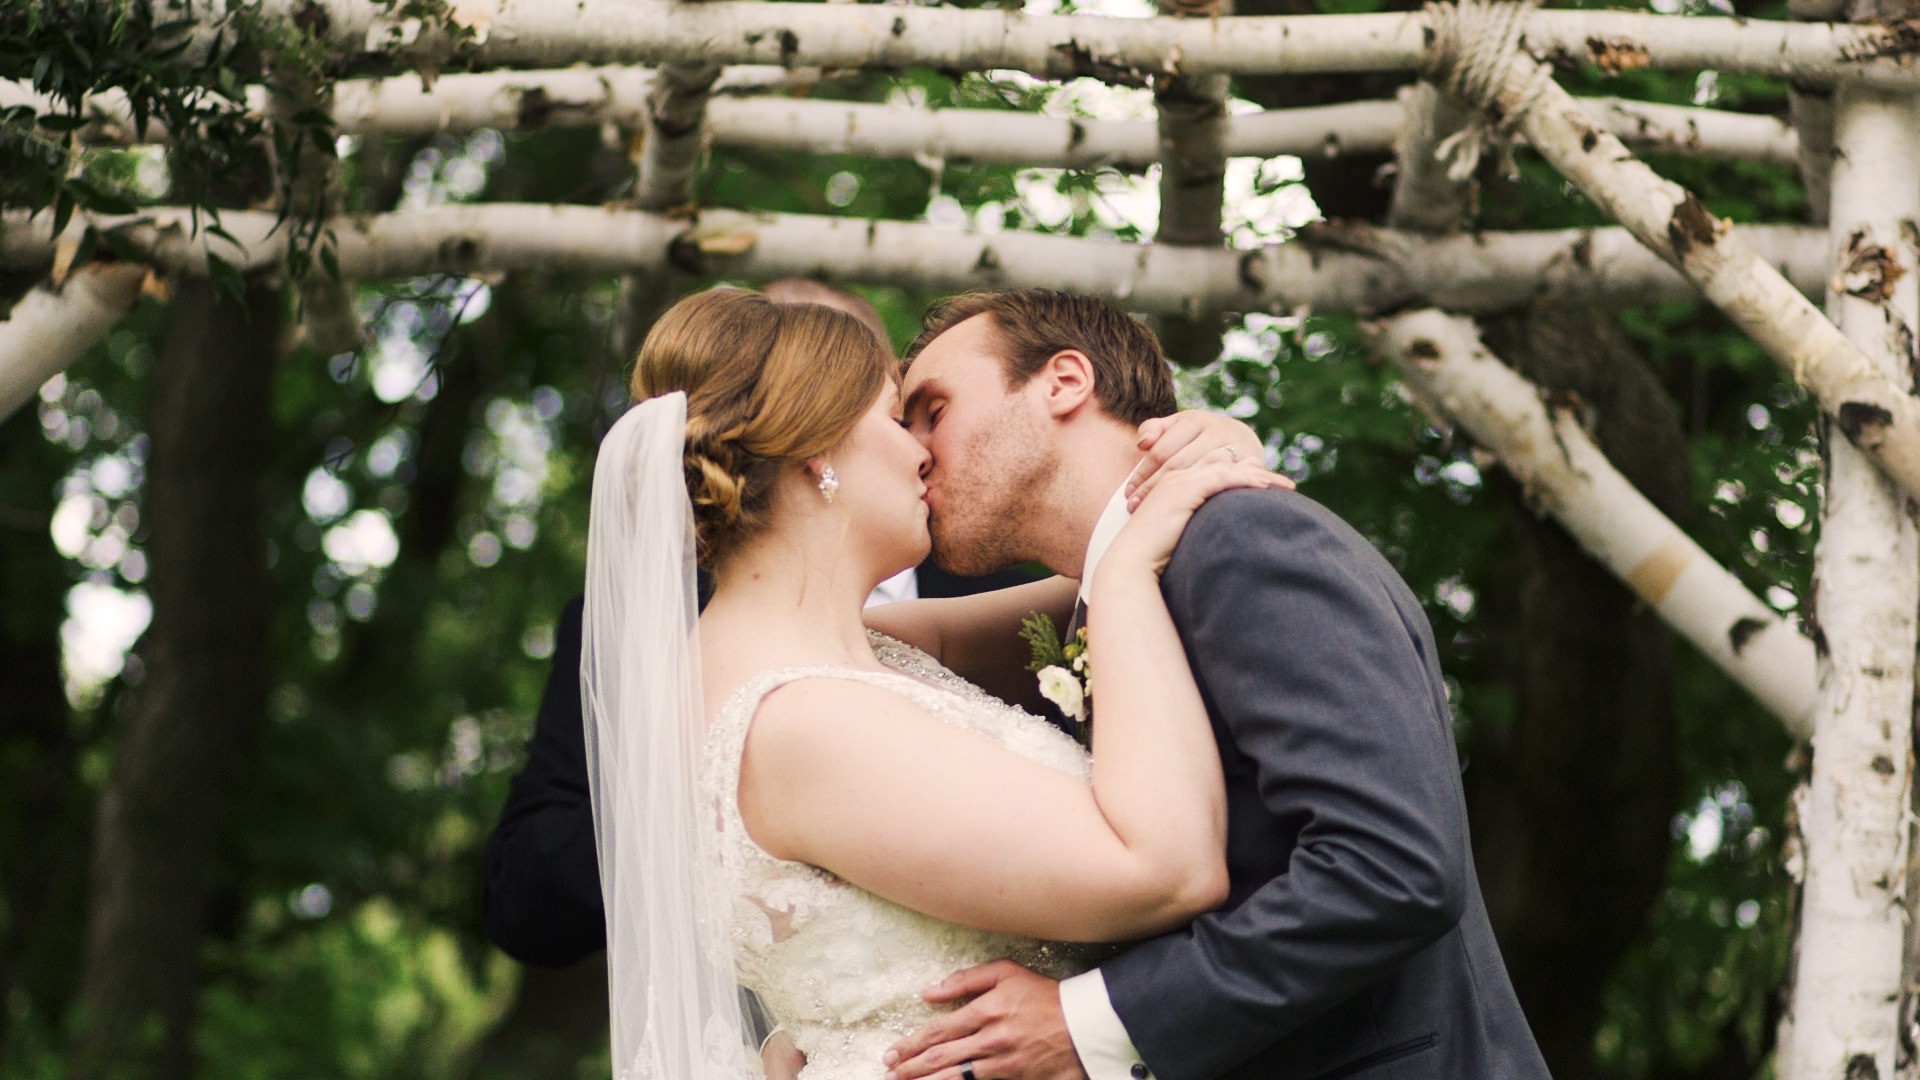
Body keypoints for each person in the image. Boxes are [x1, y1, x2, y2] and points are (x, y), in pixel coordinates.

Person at [582, 286, 1290, 1079]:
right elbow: (1168, 872)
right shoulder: (799, 722)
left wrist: (1199, 452)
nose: (924, 453)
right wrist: (1127, 575)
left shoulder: (838, 654)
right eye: (896, 419)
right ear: (817, 451)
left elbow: (1098, 578)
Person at [878, 290, 1550, 1080]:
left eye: (933, 412)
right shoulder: (1109, 595)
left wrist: (1089, 1021)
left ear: (1064, 382)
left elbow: (1390, 867)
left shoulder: (1244, 537)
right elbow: (836, 638)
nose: (915, 453)